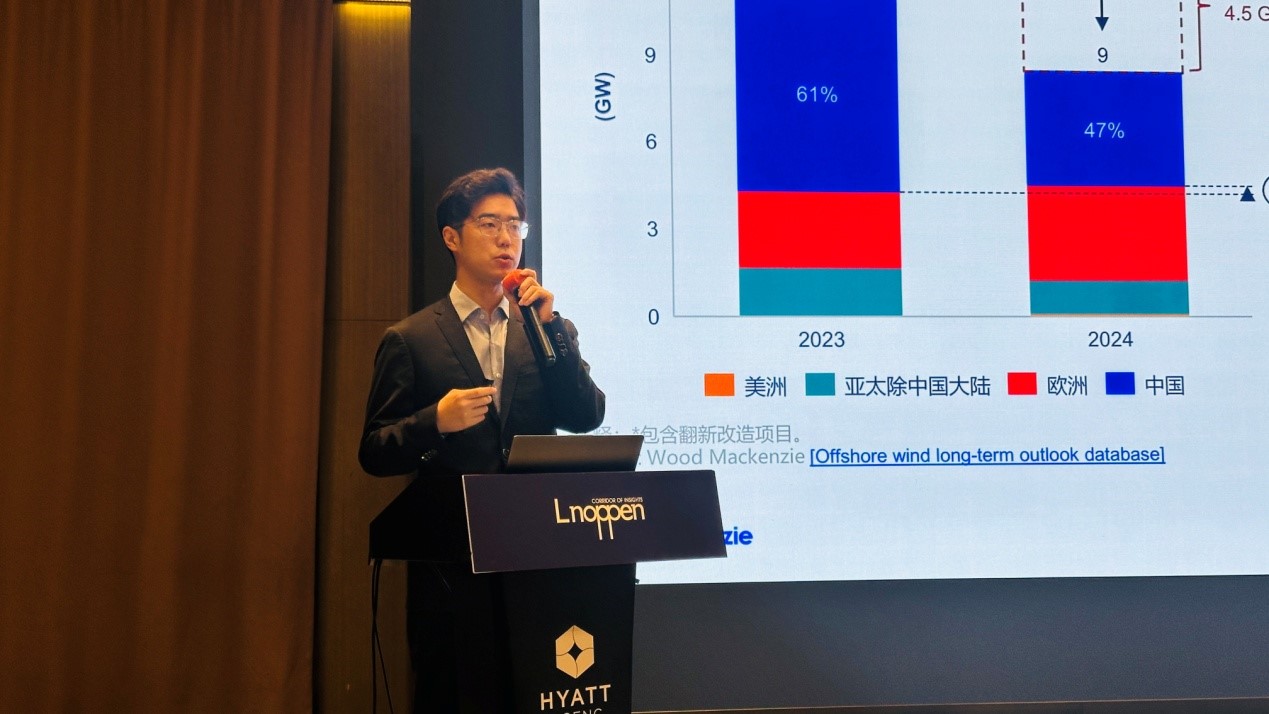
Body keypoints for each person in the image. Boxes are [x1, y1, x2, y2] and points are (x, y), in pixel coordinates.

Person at [358, 168, 605, 712]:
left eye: (515, 226)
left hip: (536, 555)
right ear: (452, 236)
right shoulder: (411, 338)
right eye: (489, 224)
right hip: (451, 570)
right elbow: (374, 449)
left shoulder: (544, 329)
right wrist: (434, 421)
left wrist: (552, 329)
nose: (506, 239)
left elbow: (586, 416)